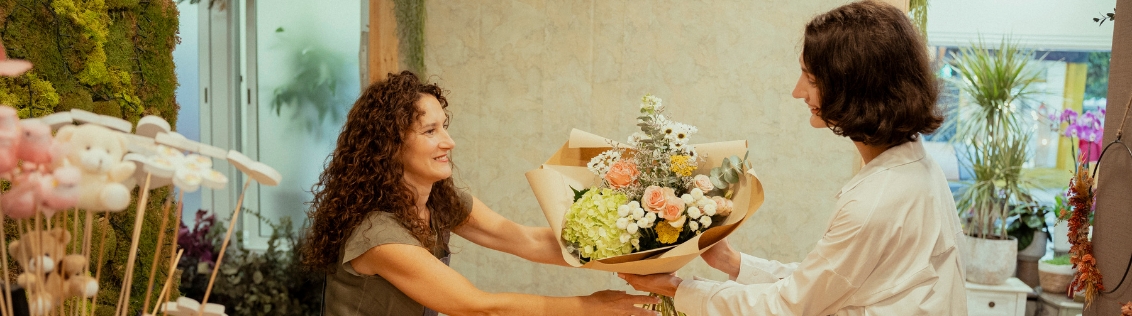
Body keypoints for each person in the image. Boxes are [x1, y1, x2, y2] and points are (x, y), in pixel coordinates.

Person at [620, 1, 968, 315]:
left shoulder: (876, 203)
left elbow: (789, 307)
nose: (797, 91)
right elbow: (827, 284)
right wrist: (732, 262)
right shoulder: (917, 168)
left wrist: (679, 290)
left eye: (811, 79)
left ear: (854, 88)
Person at [302, 71, 657, 316]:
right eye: (430, 131)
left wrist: (634, 247)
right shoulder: (379, 236)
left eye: (445, 126)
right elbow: (476, 305)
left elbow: (525, 240)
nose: (448, 142)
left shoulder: (438, 200)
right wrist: (593, 306)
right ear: (389, 146)